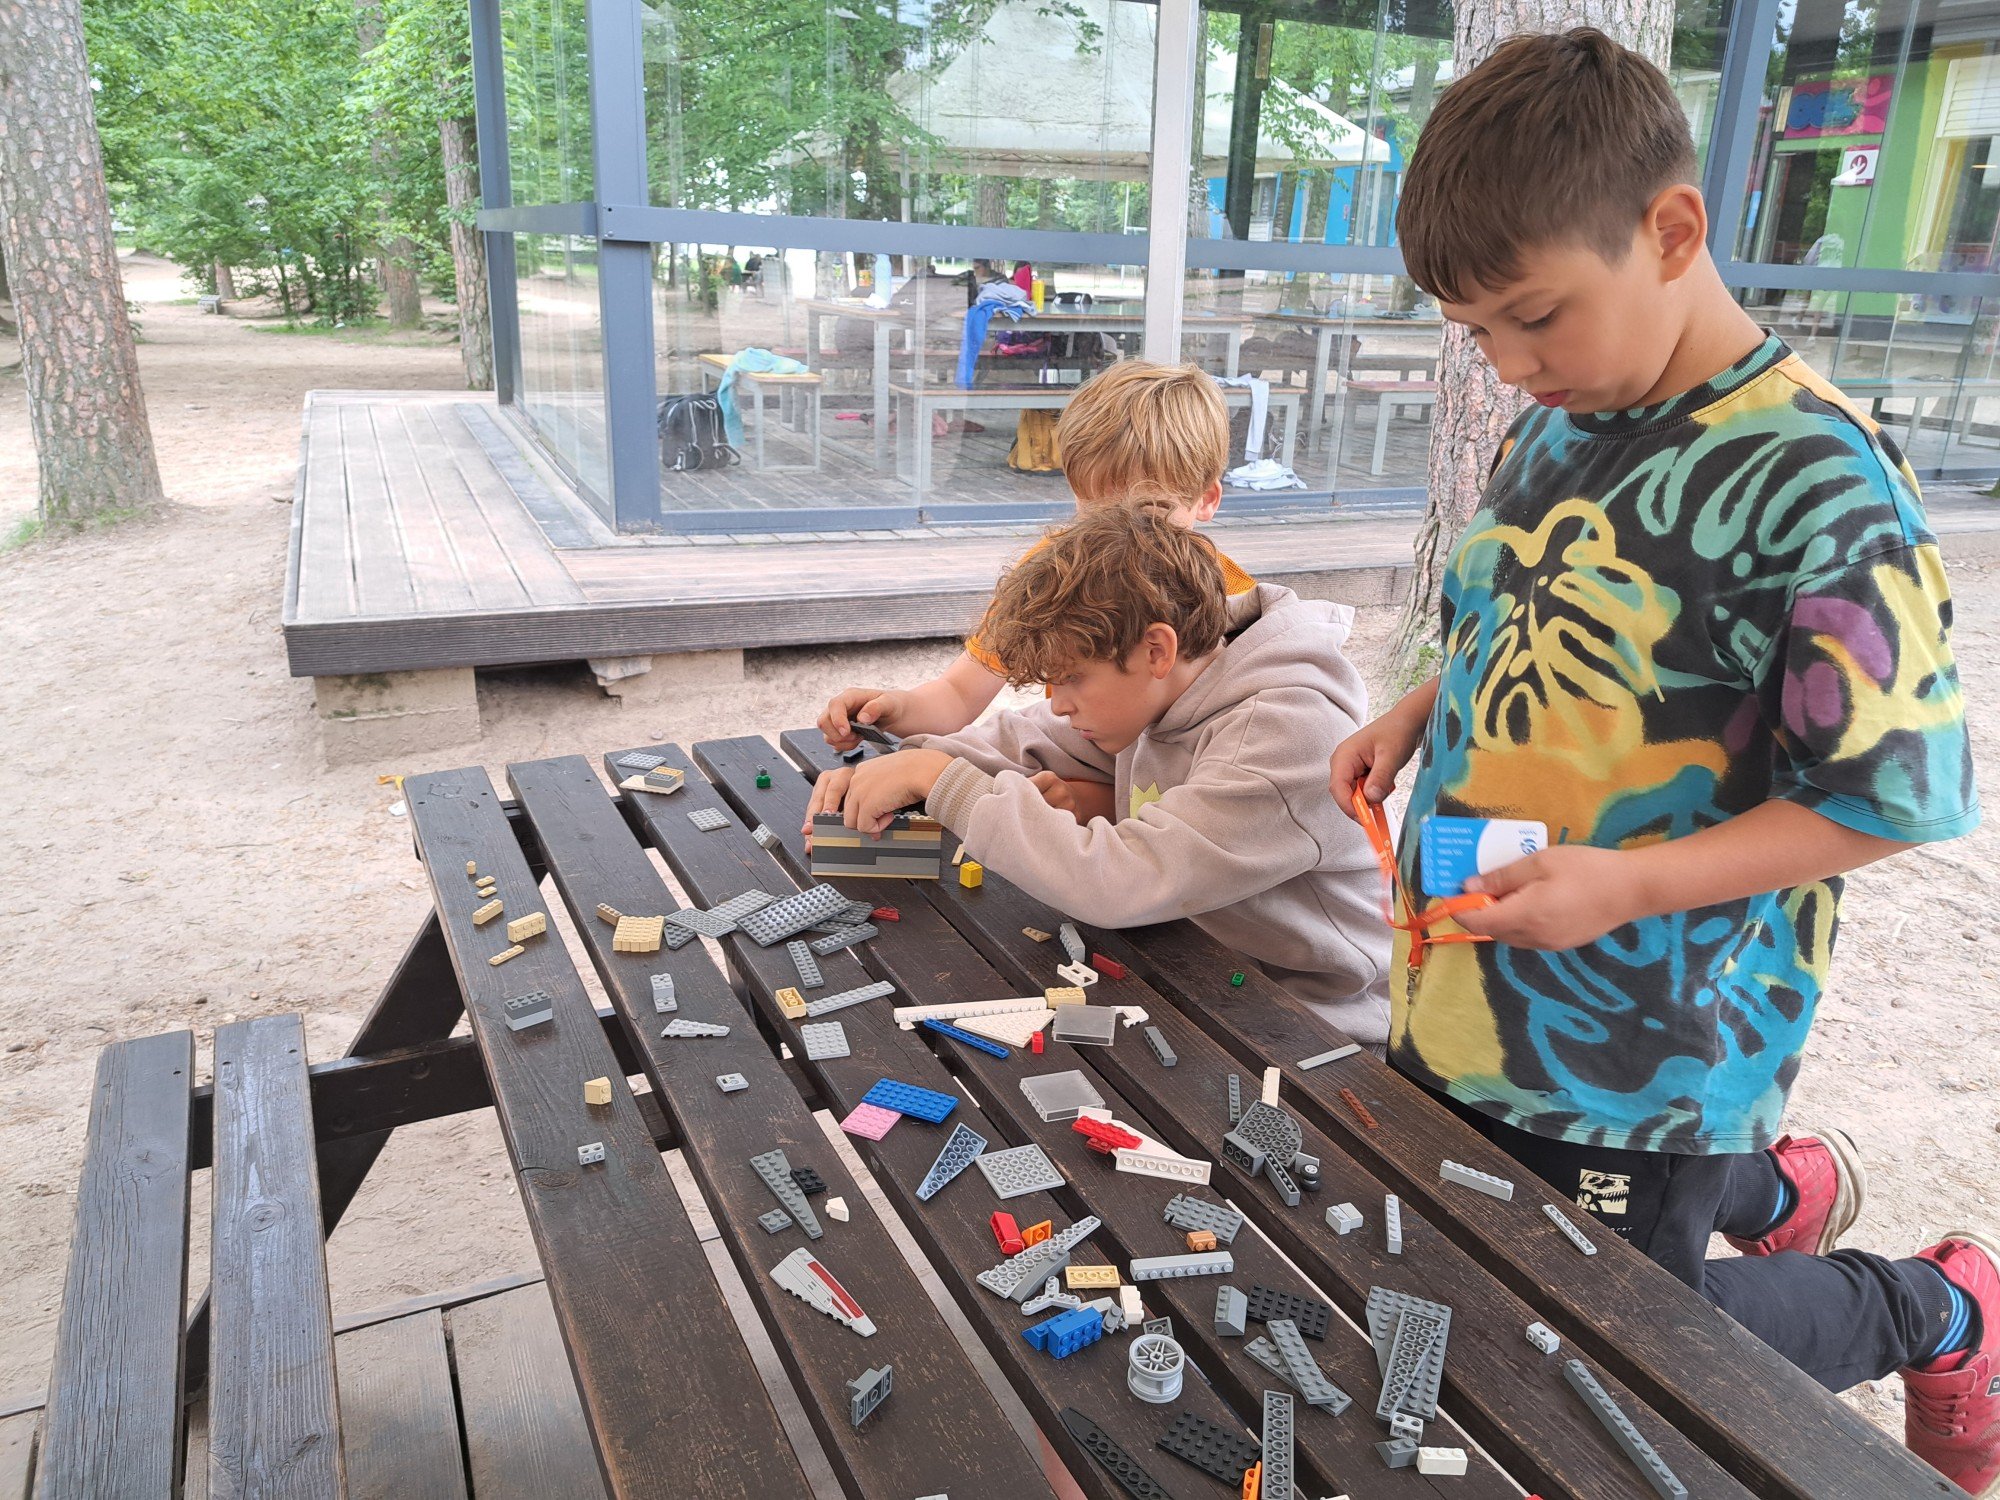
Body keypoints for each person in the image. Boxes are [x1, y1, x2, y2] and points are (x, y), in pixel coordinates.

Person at [1328, 29, 1992, 1493]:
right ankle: (1779, 1194)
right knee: (1489, 1278)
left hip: (1642, 1058)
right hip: (1468, 993)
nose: (1510, 365)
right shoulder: (1564, 423)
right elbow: (1518, 615)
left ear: (1672, 231)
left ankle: (1936, 1308)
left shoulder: (1820, 484)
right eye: (1476, 334)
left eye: (1533, 316)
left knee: (1624, 1348)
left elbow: (1890, 797)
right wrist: (1420, 709)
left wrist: (1626, 888)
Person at [812, 501, 1391, 1045]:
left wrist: (941, 780)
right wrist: (904, 763)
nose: (1058, 702)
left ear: (1156, 650)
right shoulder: (1161, 686)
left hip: (1318, 1023)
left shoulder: (1282, 735)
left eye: (1071, 679)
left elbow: (1122, 881)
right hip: (1196, 961)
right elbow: (1028, 737)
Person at [815, 360, 1260, 826]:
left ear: (1207, 499)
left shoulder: (1233, 609)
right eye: (1097, 512)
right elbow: (958, 695)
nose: (1121, 535)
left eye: (1148, 513)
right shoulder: (1056, 575)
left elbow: (1201, 794)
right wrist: (894, 709)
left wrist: (1086, 800)